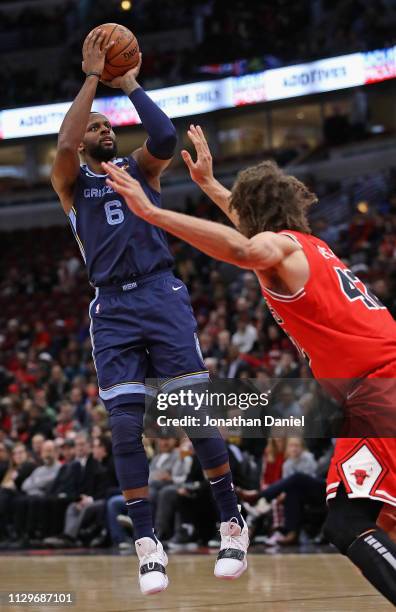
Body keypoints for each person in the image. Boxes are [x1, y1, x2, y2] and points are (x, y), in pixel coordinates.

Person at [103, 124, 396, 606]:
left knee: (347, 522)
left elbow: (243, 248)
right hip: (378, 386)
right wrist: (208, 185)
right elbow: (249, 230)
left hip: (376, 392)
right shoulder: (311, 245)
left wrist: (152, 212)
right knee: (384, 520)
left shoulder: (278, 247)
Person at [50, 30, 248, 594]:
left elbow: (162, 134)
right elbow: (64, 147)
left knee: (192, 415)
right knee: (124, 427)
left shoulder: (141, 171)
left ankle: (232, 524)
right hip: (111, 306)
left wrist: (128, 81)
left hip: (160, 294)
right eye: (97, 126)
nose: (106, 128)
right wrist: (90, 78)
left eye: (109, 124)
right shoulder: (71, 182)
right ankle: (146, 543)